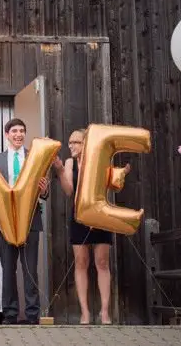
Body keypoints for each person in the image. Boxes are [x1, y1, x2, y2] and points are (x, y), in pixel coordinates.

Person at [0, 118, 50, 325]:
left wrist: (45, 191)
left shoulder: (35, 157)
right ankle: (10, 315)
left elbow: (44, 192)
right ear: (7, 134)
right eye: (14, 131)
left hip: (31, 222)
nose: (19, 134)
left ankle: (33, 315)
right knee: (8, 270)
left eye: (22, 131)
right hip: (3, 222)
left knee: (30, 270)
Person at [52, 128, 129, 325]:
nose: (71, 146)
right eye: (70, 142)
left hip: (101, 216)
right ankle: (85, 313)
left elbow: (111, 184)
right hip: (79, 217)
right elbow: (69, 190)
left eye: (75, 142)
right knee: (81, 263)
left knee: (102, 262)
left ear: (86, 143)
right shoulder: (69, 163)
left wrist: (122, 174)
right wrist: (60, 170)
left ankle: (104, 312)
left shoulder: (99, 159)